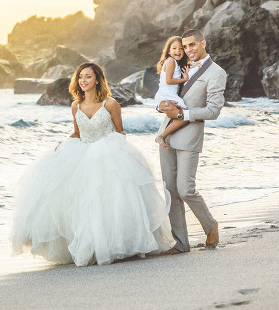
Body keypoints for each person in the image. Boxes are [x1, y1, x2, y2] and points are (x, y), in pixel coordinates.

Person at [11, 62, 174, 266]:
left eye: (88, 76)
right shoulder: (75, 105)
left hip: (107, 155)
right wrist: (64, 143)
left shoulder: (110, 104)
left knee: (109, 202)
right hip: (82, 154)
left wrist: (116, 151)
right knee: (80, 203)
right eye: (80, 77)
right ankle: (87, 246)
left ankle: (117, 245)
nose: (83, 81)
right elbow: (78, 133)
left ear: (97, 79)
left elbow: (120, 132)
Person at [157, 29, 227, 253]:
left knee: (186, 189)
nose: (188, 50)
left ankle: (210, 224)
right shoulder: (180, 64)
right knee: (170, 190)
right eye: (185, 46)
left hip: (189, 135)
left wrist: (183, 115)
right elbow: (165, 90)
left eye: (192, 45)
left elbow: (213, 110)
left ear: (203, 43)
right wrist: (160, 106)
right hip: (166, 133)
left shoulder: (217, 73)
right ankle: (180, 243)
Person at [154, 36, 191, 149]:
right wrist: (184, 79)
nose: (177, 51)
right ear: (169, 51)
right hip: (167, 94)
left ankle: (165, 135)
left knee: (183, 115)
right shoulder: (170, 61)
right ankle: (162, 136)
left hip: (169, 94)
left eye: (181, 48)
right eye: (174, 48)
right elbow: (169, 80)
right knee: (186, 116)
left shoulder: (176, 63)